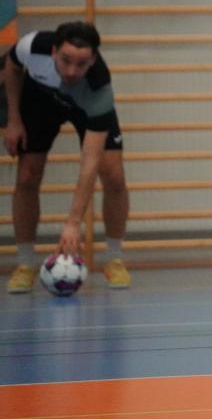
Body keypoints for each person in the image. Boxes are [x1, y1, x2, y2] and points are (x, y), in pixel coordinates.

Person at [4, 21, 132, 293]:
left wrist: (73, 222)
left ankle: (114, 258)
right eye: (65, 60)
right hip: (39, 100)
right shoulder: (32, 46)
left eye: (81, 64)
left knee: (113, 175)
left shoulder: (99, 88)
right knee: (27, 175)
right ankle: (25, 263)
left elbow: (90, 160)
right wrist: (13, 119)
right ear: (53, 51)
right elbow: (12, 68)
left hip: (84, 107)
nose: (72, 71)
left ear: (93, 60)